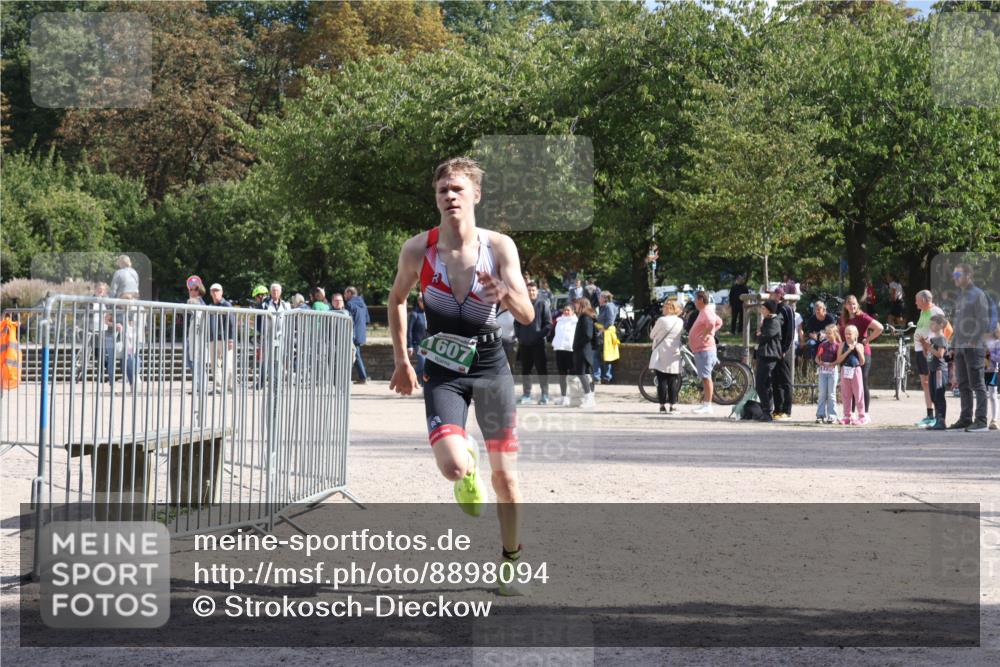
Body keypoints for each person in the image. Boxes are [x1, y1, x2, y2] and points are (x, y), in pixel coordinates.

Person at [386, 157, 533, 596]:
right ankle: (465, 463)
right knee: (453, 468)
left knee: (505, 479)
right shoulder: (418, 250)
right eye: (442, 191)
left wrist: (504, 293)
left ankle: (511, 561)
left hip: (490, 367)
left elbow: (525, 315)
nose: (449, 196)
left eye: (457, 189)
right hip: (443, 368)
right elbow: (396, 299)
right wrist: (401, 360)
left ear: (476, 195)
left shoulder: (500, 247)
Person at [950, 263, 990, 431]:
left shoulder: (978, 294)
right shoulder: (960, 296)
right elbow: (957, 323)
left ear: (968, 276)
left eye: (958, 275)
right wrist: (952, 346)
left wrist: (974, 339)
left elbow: (983, 320)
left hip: (973, 346)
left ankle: (981, 420)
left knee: (977, 384)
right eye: (954, 275)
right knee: (963, 384)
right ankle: (966, 418)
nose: (955, 278)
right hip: (959, 347)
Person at [838, 294, 883, 415]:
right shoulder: (843, 318)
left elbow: (879, 327)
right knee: (849, 383)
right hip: (847, 354)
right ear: (845, 305)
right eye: (849, 304)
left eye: (854, 304)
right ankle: (850, 413)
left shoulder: (862, 317)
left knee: (862, 382)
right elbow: (839, 333)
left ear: (857, 304)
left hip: (861, 353)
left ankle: (864, 413)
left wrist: (867, 340)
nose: (852, 306)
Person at [911, 290, 945, 427]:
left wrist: (933, 345)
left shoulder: (936, 311)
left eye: (917, 300)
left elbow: (947, 329)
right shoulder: (922, 312)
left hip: (929, 351)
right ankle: (929, 414)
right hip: (920, 350)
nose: (915, 302)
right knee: (925, 382)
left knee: (931, 383)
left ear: (924, 300)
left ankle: (937, 416)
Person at [515, 281, 552, 404]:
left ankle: (545, 395)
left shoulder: (543, 303)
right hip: (525, 344)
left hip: (538, 344)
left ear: (537, 291)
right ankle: (526, 395)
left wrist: (538, 336)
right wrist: (520, 336)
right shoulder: (522, 304)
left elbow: (548, 324)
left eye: (533, 290)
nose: (531, 292)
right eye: (529, 290)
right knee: (526, 370)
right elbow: (516, 323)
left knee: (542, 370)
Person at [689, 290, 723, 414]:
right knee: (705, 377)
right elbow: (719, 322)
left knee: (706, 377)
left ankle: (707, 405)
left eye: (695, 299)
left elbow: (711, 323)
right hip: (702, 349)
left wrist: (706, 334)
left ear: (701, 300)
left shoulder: (706, 312)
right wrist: (710, 332)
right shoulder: (706, 311)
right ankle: (706, 403)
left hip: (705, 349)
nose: (694, 301)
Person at [648, 299, 685, 414]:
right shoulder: (680, 321)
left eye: (664, 307)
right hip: (674, 352)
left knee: (661, 380)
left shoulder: (661, 320)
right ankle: (673, 406)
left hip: (661, 352)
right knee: (673, 381)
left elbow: (652, 335)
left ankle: (662, 406)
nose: (662, 309)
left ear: (668, 308)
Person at [768, 287, 796, 420]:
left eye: (773, 293)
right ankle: (777, 409)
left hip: (784, 350)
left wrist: (785, 349)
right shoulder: (773, 308)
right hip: (773, 350)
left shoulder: (786, 309)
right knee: (775, 380)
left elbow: (790, 331)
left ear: (779, 295)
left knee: (785, 380)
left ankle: (787, 410)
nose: (771, 295)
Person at [754, 300, 783, 422]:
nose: (762, 310)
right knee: (763, 384)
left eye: (764, 308)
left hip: (769, 355)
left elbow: (764, 337)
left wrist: (759, 335)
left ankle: (767, 410)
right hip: (763, 354)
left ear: (769, 310)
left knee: (762, 383)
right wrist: (758, 335)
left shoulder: (774, 322)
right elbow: (757, 336)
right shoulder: (766, 321)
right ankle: (766, 410)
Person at [921, 314, 950, 431]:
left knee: (939, 395)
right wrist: (925, 346)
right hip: (932, 370)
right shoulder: (933, 339)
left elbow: (940, 354)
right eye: (930, 324)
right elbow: (928, 355)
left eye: (933, 324)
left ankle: (941, 421)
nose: (931, 326)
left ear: (941, 325)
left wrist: (929, 347)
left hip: (939, 370)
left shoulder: (941, 338)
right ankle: (937, 420)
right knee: (933, 396)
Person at [836, 324, 868, 425]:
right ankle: (847, 416)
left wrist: (858, 351)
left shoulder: (860, 345)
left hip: (856, 370)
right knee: (846, 394)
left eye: (849, 333)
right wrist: (848, 351)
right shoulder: (842, 345)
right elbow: (838, 360)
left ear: (855, 335)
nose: (847, 336)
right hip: (845, 370)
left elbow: (862, 362)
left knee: (858, 394)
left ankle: (862, 416)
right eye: (846, 333)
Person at [207, 283, 236, 393]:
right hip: (213, 338)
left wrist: (231, 339)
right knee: (215, 365)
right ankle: (218, 387)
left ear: (222, 292)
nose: (215, 293)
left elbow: (232, 323)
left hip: (225, 339)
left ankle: (230, 386)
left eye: (217, 290)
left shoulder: (227, 305)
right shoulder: (210, 306)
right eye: (213, 291)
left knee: (228, 363)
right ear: (210, 293)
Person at [572, 298, 598, 407]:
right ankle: (590, 398)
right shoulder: (585, 317)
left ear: (582, 305)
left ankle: (589, 397)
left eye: (576, 305)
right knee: (587, 374)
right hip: (584, 349)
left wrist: (578, 344)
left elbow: (588, 335)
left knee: (582, 374)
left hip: (582, 350)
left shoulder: (585, 318)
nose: (574, 307)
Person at [551, 303, 578, 406]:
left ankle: (572, 397)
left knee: (572, 375)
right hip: (559, 349)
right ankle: (563, 396)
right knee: (562, 375)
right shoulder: (559, 321)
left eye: (568, 310)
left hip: (570, 351)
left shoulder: (576, 322)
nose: (566, 312)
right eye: (565, 310)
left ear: (573, 312)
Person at [345, 286, 372, 385]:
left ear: (349, 293)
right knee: (356, 355)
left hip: (353, 334)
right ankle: (362, 377)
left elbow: (347, 320)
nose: (344, 296)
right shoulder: (363, 304)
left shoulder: (349, 304)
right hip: (361, 333)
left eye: (345, 293)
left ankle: (363, 377)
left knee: (356, 355)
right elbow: (367, 320)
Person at [815, 324, 841, 424]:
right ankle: (820, 415)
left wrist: (832, 364)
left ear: (835, 334)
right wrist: (819, 362)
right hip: (823, 371)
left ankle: (832, 415)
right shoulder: (822, 345)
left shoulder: (838, 345)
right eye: (826, 333)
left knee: (831, 394)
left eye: (829, 333)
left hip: (832, 371)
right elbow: (817, 358)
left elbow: (839, 359)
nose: (827, 335)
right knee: (822, 393)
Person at [594, 291, 619, 384]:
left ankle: (604, 377)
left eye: (600, 297)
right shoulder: (604, 306)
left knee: (603, 355)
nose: (599, 299)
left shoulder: (609, 306)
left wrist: (602, 329)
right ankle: (604, 377)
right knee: (602, 355)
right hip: (603, 333)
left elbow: (610, 321)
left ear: (604, 298)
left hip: (605, 334)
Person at [407, 292, 428, 387]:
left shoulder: (426, 313)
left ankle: (420, 382)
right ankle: (409, 379)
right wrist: (410, 346)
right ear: (419, 302)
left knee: (424, 365)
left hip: (427, 343)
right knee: (422, 364)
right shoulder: (414, 314)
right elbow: (409, 330)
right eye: (424, 302)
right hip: (417, 343)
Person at [986, 323, 1000, 430]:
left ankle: (994, 419)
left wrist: (989, 353)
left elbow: (998, 358)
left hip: (993, 371)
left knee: (993, 395)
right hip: (982, 371)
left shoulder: (997, 343)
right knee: (983, 394)